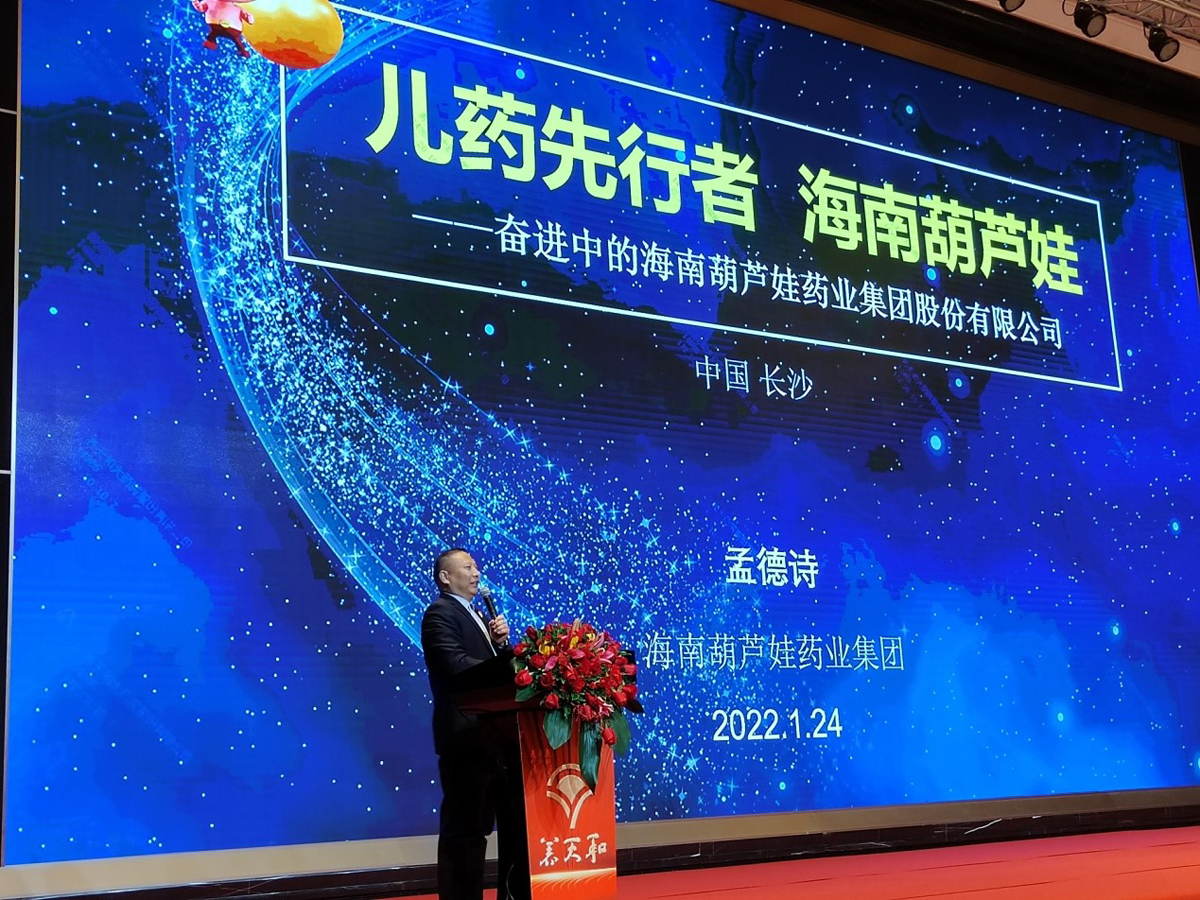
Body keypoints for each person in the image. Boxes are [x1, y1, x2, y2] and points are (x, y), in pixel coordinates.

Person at [421, 548, 530, 900]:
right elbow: (453, 665)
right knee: (466, 830)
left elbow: (489, 670)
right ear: (445, 577)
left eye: (476, 566)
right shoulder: (439, 613)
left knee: (513, 824)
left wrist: (500, 647)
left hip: (497, 736)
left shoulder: (478, 615)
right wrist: (507, 667)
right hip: (465, 738)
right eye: (467, 567)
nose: (476, 573)